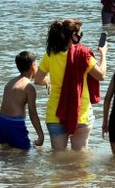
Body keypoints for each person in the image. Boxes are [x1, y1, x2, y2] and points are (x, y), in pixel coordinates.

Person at [33, 19, 107, 151]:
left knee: (58, 157)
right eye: (80, 34)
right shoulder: (83, 54)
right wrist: (103, 54)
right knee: (80, 157)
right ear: (73, 35)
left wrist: (50, 82)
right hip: (80, 111)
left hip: (55, 113)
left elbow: (38, 80)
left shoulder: (49, 55)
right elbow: (101, 75)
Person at [0, 51, 44, 150]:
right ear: (33, 66)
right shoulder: (28, 87)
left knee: (6, 152)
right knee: (25, 153)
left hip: (1, 123)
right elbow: (33, 113)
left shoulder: (10, 82)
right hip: (15, 126)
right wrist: (41, 136)